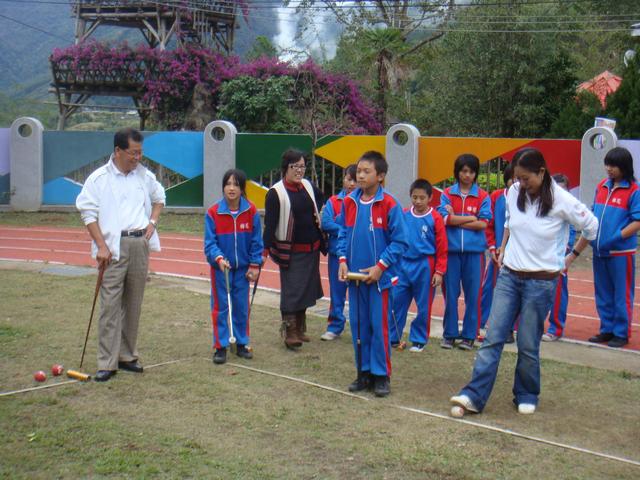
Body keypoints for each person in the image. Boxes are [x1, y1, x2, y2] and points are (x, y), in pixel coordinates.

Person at [450, 147, 598, 416]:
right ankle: (473, 394)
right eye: (517, 178)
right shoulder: (513, 192)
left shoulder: (562, 200)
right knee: (492, 337)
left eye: (526, 178)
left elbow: (592, 226)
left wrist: (570, 256)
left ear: (541, 172)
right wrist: (503, 248)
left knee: (528, 341)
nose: (521, 183)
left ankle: (526, 392)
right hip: (509, 276)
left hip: (541, 282)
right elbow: (509, 221)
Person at [75, 127, 165, 382]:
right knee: (110, 306)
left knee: (133, 303)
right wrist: (101, 245)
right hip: (112, 247)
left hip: (139, 243)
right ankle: (107, 361)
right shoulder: (99, 178)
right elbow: (87, 213)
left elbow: (160, 197)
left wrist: (153, 222)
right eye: (133, 153)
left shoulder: (143, 175)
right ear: (117, 151)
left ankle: (127, 355)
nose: (137, 158)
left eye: (140, 153)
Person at [337, 151, 408, 397]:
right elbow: (343, 234)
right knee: (358, 326)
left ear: (380, 176)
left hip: (379, 280)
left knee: (379, 327)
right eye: (359, 171)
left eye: (367, 171)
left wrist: (380, 267)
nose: (361, 175)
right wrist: (343, 261)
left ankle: (381, 375)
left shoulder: (389, 204)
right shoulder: (349, 202)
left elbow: (399, 241)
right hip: (355, 280)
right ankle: (363, 371)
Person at [263, 149, 325, 349]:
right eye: (295, 167)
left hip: (312, 249)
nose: (299, 171)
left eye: (302, 166)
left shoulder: (307, 186)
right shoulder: (276, 193)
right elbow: (270, 225)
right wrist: (263, 252)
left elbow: (320, 200)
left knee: (306, 289)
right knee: (292, 291)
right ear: (285, 168)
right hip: (291, 251)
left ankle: (299, 328)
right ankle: (290, 332)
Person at [205, 169, 263, 364]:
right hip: (222, 269)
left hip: (243, 270)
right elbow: (210, 244)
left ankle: (241, 342)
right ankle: (220, 346)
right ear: (223, 187)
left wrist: (255, 265)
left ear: (242, 188)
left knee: (241, 307)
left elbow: (257, 241)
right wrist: (219, 258)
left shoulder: (251, 211)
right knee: (220, 307)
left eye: (236, 184)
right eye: (228, 184)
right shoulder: (213, 212)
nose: (232, 188)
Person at [438, 154, 491, 350]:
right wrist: (470, 217)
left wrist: (457, 217)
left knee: (473, 295)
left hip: (474, 254)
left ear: (475, 173)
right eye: (463, 171)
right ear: (457, 172)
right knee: (450, 294)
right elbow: (444, 219)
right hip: (450, 252)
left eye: (471, 171)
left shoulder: (483, 196)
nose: (466, 175)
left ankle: (469, 335)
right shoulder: (446, 194)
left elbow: (483, 224)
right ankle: (449, 334)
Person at [589, 147, 640, 348]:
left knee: (621, 293)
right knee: (602, 292)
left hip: (621, 252)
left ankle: (621, 332)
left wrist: (617, 237)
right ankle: (606, 329)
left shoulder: (634, 190)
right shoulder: (602, 186)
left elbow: (637, 221)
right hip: (599, 250)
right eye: (607, 164)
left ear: (624, 167)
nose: (609, 169)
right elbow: (594, 213)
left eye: (614, 166)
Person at [390, 179, 447, 352]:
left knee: (423, 305)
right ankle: (394, 336)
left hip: (425, 265)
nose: (418, 201)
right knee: (397, 301)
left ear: (430, 198)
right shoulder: (405, 214)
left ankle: (419, 339)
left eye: (422, 198)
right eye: (415, 197)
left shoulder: (435, 217)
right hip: (404, 264)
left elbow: (442, 247)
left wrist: (439, 271)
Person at [320, 164, 357, 341]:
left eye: (355, 180)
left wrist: (340, 228)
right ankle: (335, 326)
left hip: (358, 255)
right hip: (336, 254)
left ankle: (360, 327)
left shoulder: (363, 203)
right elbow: (326, 223)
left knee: (359, 293)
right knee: (337, 292)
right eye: (348, 179)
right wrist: (344, 229)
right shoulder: (334, 201)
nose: (351, 184)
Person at [480, 164, 514, 343]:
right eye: (513, 178)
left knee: (515, 293)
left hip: (519, 257)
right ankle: (485, 323)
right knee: (489, 289)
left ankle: (510, 328)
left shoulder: (530, 198)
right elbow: (490, 225)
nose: (516, 182)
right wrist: (492, 247)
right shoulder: (497, 197)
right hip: (497, 255)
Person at [542, 174, 576, 342]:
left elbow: (574, 229)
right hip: (541, 255)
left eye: (563, 190)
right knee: (538, 291)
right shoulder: (544, 206)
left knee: (557, 292)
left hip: (559, 257)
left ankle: (556, 328)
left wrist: (568, 250)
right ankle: (536, 325)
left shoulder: (569, 208)